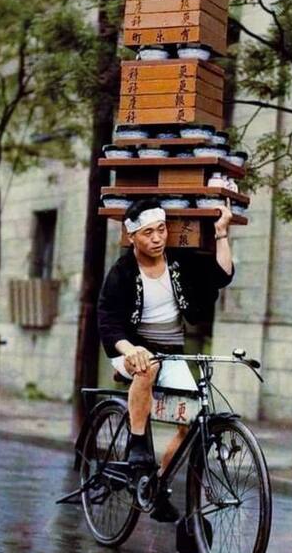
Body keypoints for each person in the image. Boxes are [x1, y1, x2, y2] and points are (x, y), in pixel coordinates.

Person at [97, 196, 233, 521]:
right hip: (131, 349)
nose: (157, 238)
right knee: (148, 365)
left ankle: (154, 486)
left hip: (171, 352)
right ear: (132, 237)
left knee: (193, 418)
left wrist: (221, 233)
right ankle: (138, 447)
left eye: (161, 230)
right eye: (148, 233)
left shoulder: (178, 262)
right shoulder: (122, 271)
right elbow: (107, 318)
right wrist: (130, 349)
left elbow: (221, 276)